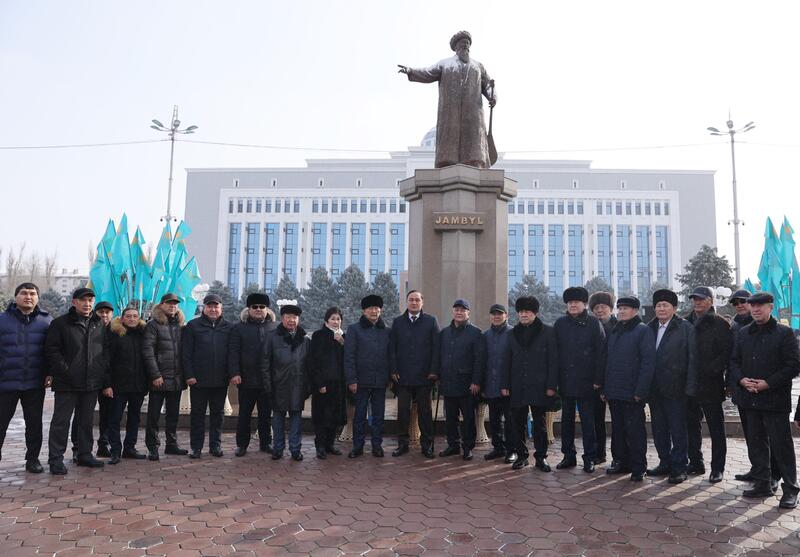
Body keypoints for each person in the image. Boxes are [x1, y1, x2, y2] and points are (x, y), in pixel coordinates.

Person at [729, 292, 800, 509]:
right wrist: (741, 380)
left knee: (782, 446)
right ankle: (762, 483)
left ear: (771, 307)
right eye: (753, 306)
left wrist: (768, 383)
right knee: (756, 444)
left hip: (774, 399)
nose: (756, 310)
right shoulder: (743, 333)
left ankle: (790, 489)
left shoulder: (785, 333)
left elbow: (793, 365)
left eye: (761, 306)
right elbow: (733, 361)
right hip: (749, 398)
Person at [398, 30, 496, 169]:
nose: (466, 46)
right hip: (450, 111)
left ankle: (475, 162)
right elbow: (428, 73)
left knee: (474, 139)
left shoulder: (478, 66)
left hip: (473, 111)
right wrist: (410, 71)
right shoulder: (445, 64)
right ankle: (448, 163)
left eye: (468, 44)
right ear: (456, 47)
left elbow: (488, 85)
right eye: (463, 43)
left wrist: (493, 96)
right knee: (450, 137)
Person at [45, 287, 109, 474]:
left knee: (85, 421)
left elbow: (104, 352)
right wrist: (65, 371)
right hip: (67, 383)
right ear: (74, 302)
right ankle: (55, 459)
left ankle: (84, 454)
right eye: (83, 300)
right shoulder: (60, 324)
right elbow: (52, 351)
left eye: (90, 300)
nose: (87, 304)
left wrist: (101, 375)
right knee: (61, 422)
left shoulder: (98, 324)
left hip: (91, 383)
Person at [0, 282, 53, 473]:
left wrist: (50, 372)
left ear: (38, 298)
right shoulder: (2, 320)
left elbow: (51, 351)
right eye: (24, 293)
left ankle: (33, 459)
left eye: (32, 293)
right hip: (5, 383)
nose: (28, 297)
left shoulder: (46, 322)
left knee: (34, 425)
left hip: (34, 382)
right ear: (16, 297)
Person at [646, 289, 696, 484]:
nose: (661, 308)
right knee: (659, 429)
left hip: (677, 388)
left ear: (674, 308)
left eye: (666, 305)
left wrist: (690, 388)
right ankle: (664, 462)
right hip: (655, 389)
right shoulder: (649, 328)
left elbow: (693, 360)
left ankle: (679, 467)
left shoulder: (685, 328)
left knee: (678, 430)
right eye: (658, 305)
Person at [602, 296, 655, 482]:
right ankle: (620, 461)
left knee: (635, 431)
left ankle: (638, 466)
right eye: (620, 308)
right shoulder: (616, 331)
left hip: (633, 393)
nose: (621, 311)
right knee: (618, 430)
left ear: (635, 311)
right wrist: (605, 388)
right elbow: (608, 361)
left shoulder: (643, 331)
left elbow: (648, 363)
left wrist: (641, 391)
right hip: (615, 391)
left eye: (626, 308)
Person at [553, 287, 605, 473]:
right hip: (566, 382)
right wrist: (554, 381)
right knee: (566, 422)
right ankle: (568, 456)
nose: (573, 305)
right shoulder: (560, 324)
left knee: (587, 422)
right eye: (570, 302)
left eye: (577, 302)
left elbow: (601, 354)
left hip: (587, 383)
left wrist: (598, 380)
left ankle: (590, 457)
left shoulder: (593, 323)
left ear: (584, 305)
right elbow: (554, 355)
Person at [685, 286, 733, 483]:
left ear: (711, 301)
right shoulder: (685, 323)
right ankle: (695, 462)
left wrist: (712, 370)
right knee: (691, 425)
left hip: (711, 384)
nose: (698, 302)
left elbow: (726, 353)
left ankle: (717, 468)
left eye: (702, 299)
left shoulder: (721, 324)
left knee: (716, 428)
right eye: (695, 299)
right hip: (688, 384)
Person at [504, 296, 558, 472]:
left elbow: (553, 361)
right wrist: (505, 384)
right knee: (517, 423)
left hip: (540, 386)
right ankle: (522, 456)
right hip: (517, 385)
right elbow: (506, 361)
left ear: (535, 313)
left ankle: (541, 457)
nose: (523, 315)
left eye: (527, 312)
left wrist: (551, 386)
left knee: (539, 424)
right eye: (520, 312)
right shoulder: (511, 334)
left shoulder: (548, 332)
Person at [389, 290, 440, 459]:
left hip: (424, 377)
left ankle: (427, 446)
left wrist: (434, 370)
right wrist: (393, 369)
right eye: (411, 300)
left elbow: (436, 349)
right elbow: (392, 349)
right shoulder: (397, 322)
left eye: (417, 300)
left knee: (425, 412)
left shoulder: (431, 322)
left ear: (422, 302)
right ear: (406, 302)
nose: (414, 303)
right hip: (402, 377)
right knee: (403, 411)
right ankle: (402, 445)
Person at [182, 293, 232, 459]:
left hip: (220, 380)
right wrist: (189, 374)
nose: (213, 309)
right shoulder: (193, 326)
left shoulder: (228, 327)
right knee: (197, 416)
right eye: (209, 306)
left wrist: (231, 374)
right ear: (203, 308)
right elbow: (186, 353)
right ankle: (196, 447)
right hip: (198, 380)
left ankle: (215, 446)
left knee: (218, 416)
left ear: (221, 308)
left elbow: (233, 353)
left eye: (216, 306)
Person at [229, 292, 277, 457]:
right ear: (248, 309)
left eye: (262, 307)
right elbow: (233, 352)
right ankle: (242, 444)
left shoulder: (275, 328)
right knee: (244, 414)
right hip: (246, 379)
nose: (258, 309)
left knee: (266, 415)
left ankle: (266, 443)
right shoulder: (239, 328)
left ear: (267, 309)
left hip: (268, 380)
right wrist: (234, 373)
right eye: (254, 307)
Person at [345, 295, 392, 458]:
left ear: (381, 310)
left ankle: (377, 445)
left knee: (378, 415)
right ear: (364, 311)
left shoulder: (386, 331)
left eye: (377, 308)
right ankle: (358, 446)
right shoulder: (354, 329)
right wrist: (352, 379)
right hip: (360, 381)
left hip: (380, 380)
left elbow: (390, 355)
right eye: (370, 308)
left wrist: (390, 377)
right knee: (360, 415)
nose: (374, 311)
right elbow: (349, 356)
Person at [142, 293, 188, 460]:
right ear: (162, 305)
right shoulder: (153, 325)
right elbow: (148, 352)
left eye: (175, 304)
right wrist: (155, 374)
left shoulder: (181, 326)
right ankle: (153, 447)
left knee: (173, 415)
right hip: (159, 378)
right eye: (169, 303)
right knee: (154, 415)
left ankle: (171, 444)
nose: (172, 306)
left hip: (176, 378)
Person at [437, 299, 484, 461]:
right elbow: (439, 356)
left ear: (468, 313)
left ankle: (468, 447)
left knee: (468, 418)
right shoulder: (444, 333)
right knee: (450, 418)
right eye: (456, 309)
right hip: (448, 382)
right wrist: (437, 376)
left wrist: (476, 382)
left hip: (467, 385)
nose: (459, 312)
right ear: (453, 312)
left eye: (462, 310)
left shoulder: (475, 333)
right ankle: (453, 445)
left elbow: (479, 360)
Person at [263, 302, 310, 461]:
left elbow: (309, 364)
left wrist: (307, 387)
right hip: (278, 385)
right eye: (288, 317)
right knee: (278, 420)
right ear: (282, 318)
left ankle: (295, 450)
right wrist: (268, 385)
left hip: (298, 385)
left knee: (296, 420)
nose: (292, 320)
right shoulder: (272, 337)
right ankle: (278, 449)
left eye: (295, 317)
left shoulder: (304, 339)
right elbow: (265, 363)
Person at [104, 307, 149, 464]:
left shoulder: (143, 334)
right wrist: (107, 384)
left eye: (135, 316)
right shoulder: (114, 335)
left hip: (138, 386)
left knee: (134, 418)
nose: (132, 319)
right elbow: (107, 361)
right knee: (115, 419)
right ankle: (115, 451)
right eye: (128, 316)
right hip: (118, 386)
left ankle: (130, 447)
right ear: (122, 319)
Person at [307, 307, 347, 459]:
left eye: (338, 319)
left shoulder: (343, 336)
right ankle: (320, 446)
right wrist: (319, 383)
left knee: (335, 416)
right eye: (333, 319)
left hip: (339, 383)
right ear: (326, 321)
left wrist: (341, 342)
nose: (336, 321)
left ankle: (330, 444)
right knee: (322, 417)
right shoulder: (319, 335)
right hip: (323, 384)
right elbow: (314, 361)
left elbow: (347, 357)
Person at [482, 304, 514, 463]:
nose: (496, 316)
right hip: (490, 386)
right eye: (493, 314)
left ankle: (511, 450)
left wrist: (508, 384)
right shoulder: (485, 335)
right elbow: (482, 362)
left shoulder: (513, 333)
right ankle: (498, 448)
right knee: (494, 420)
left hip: (508, 387)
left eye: (499, 314)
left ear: (506, 316)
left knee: (510, 420)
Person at [589, 291, 616, 465]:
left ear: (611, 309)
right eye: (596, 307)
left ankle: (619, 456)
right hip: (595, 382)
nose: (600, 310)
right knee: (596, 420)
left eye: (603, 307)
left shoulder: (619, 326)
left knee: (618, 422)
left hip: (614, 380)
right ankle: (599, 453)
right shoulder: (590, 326)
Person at [90, 301, 115, 458]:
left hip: (109, 380)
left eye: (107, 312)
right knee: (83, 415)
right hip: (91, 379)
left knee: (107, 414)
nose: (104, 315)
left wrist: (109, 383)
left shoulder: (117, 331)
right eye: (101, 312)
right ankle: (78, 448)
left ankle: (103, 444)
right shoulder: (89, 328)